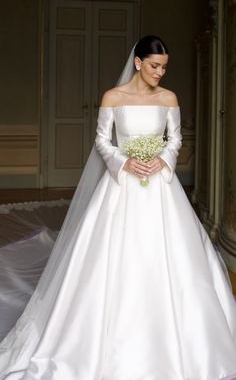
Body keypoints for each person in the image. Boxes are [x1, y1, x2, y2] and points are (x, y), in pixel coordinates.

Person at [0, 35, 236, 380]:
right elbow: (101, 140)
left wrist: (162, 160)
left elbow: (176, 139)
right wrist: (124, 162)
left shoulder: (169, 98)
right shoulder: (114, 97)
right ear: (138, 62)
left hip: (160, 190)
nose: (160, 72)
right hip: (121, 186)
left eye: (165, 67)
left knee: (173, 257)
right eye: (155, 65)